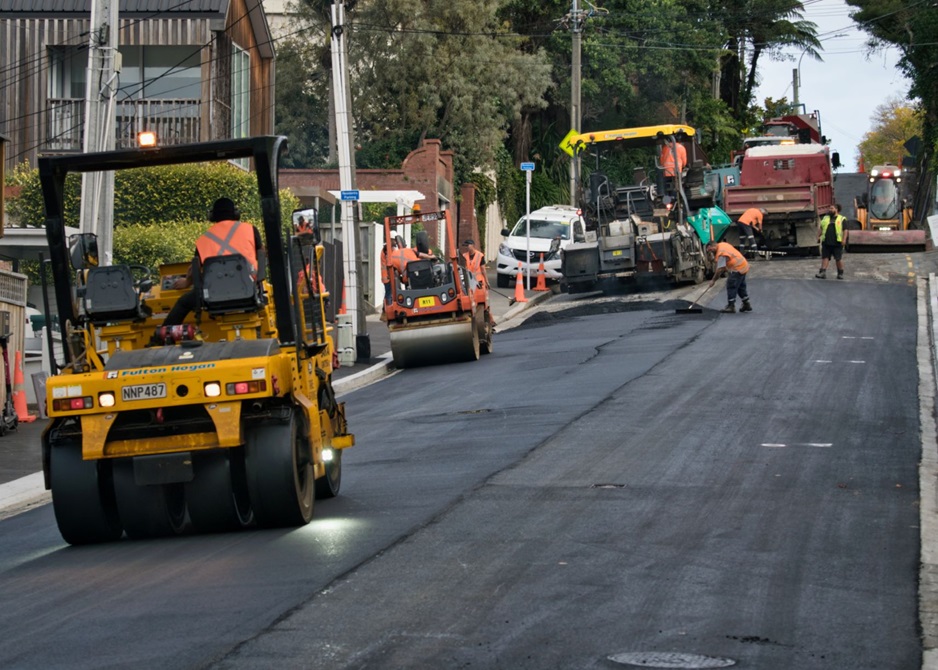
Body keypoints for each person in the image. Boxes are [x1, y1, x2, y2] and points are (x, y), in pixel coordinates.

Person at [163, 197, 263, 326]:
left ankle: (161, 338)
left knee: (183, 302)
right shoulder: (250, 229)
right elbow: (262, 253)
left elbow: (195, 267)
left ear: (212, 216)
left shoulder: (204, 239)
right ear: (235, 214)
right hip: (249, 290)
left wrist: (186, 282)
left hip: (214, 296)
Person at [706, 239, 752, 313]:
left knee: (731, 285)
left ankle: (731, 306)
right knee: (740, 286)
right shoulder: (722, 245)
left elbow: (720, 269)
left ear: (713, 246)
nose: (710, 252)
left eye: (710, 250)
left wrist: (713, 280)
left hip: (737, 268)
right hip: (743, 265)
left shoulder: (721, 253)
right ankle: (746, 304)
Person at [815, 203, 848, 280]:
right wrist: (818, 236)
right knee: (825, 257)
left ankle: (840, 273)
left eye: (832, 208)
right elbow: (821, 228)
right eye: (829, 208)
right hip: (826, 242)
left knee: (838, 258)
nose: (830, 210)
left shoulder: (842, 219)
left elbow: (845, 230)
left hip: (837, 243)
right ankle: (822, 272)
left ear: (836, 209)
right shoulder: (825, 218)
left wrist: (844, 240)